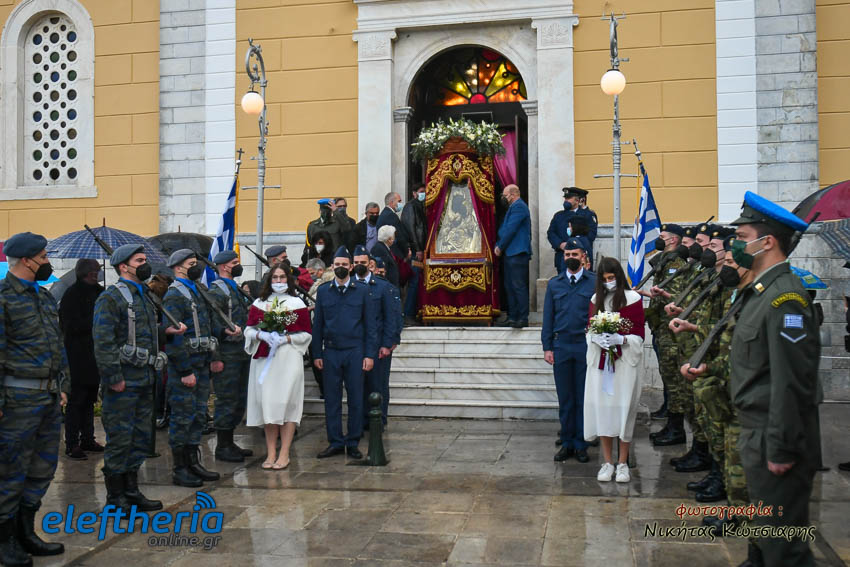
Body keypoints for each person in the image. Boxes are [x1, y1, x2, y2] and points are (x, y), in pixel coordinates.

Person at [727, 191, 820, 567]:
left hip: (773, 436)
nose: (735, 245)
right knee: (767, 539)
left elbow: (792, 381)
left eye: (742, 236)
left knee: (785, 549)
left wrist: (781, 448)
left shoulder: (785, 299)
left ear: (767, 242)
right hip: (756, 432)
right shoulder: (760, 292)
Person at [93, 244, 185, 513]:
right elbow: (103, 341)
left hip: (146, 378)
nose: (145, 265)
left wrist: (166, 332)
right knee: (121, 439)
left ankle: (131, 490)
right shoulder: (111, 298)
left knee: (140, 437)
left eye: (145, 259)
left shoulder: (144, 296)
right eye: (139, 260)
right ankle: (115, 497)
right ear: (123, 267)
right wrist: (113, 377)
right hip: (124, 381)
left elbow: (144, 334)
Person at [0, 232, 68, 565]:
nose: (47, 262)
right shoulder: (3, 298)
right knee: (10, 471)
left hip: (48, 397)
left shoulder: (43, 297)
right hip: (17, 400)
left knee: (42, 468)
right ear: (26, 260)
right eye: (43, 257)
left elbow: (58, 344)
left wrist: (63, 385)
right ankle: (5, 539)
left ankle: (26, 531)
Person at [163, 249, 239, 487]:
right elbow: (173, 337)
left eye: (196, 263)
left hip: (202, 362)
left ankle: (193, 461)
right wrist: (184, 371)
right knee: (182, 417)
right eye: (191, 264)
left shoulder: (197, 291)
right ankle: (180, 467)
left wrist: (223, 331)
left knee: (197, 415)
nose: (196, 267)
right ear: (177, 268)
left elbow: (206, 326)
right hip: (186, 366)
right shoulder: (174, 295)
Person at [311, 246, 378, 459]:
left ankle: (353, 441)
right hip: (331, 351)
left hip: (355, 351)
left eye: (344, 265)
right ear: (332, 267)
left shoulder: (362, 290)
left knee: (356, 398)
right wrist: (317, 354)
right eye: (337, 264)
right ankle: (335, 441)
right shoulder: (324, 291)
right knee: (332, 399)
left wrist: (369, 355)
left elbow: (370, 326)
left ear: (351, 267)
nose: (341, 267)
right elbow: (318, 325)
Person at [243, 264, 312, 469]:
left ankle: (284, 453)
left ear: (288, 280)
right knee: (269, 404)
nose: (279, 281)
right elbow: (248, 330)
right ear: (269, 280)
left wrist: (287, 338)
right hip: (266, 360)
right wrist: (261, 334)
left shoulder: (297, 303)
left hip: (288, 359)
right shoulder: (259, 303)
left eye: (282, 277)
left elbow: (306, 334)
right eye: (275, 277)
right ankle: (271, 452)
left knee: (288, 404)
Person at [584, 257, 645, 482]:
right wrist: (595, 338)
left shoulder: (633, 298)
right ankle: (607, 462)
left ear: (618, 276)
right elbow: (589, 328)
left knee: (624, 409)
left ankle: (623, 463)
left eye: (611, 278)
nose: (608, 282)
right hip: (601, 365)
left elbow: (639, 334)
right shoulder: (595, 299)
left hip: (624, 364)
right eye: (604, 279)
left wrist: (622, 339)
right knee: (603, 410)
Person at [542, 239, 594, 463]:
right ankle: (567, 442)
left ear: (583, 256)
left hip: (585, 346)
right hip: (561, 345)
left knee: (583, 398)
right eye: (567, 255)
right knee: (565, 398)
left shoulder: (594, 283)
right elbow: (548, 318)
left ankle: (581, 444)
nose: (570, 258)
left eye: (575, 254)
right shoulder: (555, 284)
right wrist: (547, 347)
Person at [643, 224, 690, 447]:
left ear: (673, 240)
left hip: (671, 331)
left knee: (674, 379)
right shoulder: (665, 261)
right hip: (661, 327)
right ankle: (672, 425)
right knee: (668, 376)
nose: (658, 239)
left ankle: (676, 429)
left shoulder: (676, 264)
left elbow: (676, 296)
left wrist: (657, 296)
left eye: (662, 236)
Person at [208, 251, 254, 462]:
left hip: (241, 352)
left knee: (239, 398)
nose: (238, 265)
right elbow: (210, 324)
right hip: (226, 354)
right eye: (234, 263)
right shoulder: (216, 291)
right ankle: (223, 445)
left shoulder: (234, 288)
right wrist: (215, 357)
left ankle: (230, 441)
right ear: (224, 266)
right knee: (227, 398)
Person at [59, 258, 104, 460]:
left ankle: (88, 438)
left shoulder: (100, 293)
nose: (96, 275)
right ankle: (72, 443)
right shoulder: (72, 294)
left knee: (90, 400)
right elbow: (69, 326)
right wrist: (94, 322)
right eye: (93, 271)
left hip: (95, 354)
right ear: (84, 273)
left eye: (97, 271)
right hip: (77, 355)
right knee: (76, 401)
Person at [352, 246, 402, 427]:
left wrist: (388, 343)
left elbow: (391, 316)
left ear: (370, 263)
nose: (359, 265)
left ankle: (378, 421)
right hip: (356, 344)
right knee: (359, 385)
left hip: (379, 344)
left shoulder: (383, 286)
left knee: (378, 384)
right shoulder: (349, 284)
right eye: (356, 262)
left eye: (363, 262)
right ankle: (361, 421)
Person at [495, 184, 532, 328]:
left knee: (518, 286)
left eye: (505, 195)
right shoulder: (513, 207)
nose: (503, 198)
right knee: (510, 286)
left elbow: (511, 229)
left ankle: (522, 317)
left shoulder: (519, 207)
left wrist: (500, 246)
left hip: (517, 252)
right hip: (511, 252)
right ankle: (513, 316)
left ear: (513, 194)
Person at [546, 187, 595, 273]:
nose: (566, 201)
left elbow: (591, 234)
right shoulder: (558, 215)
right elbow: (551, 233)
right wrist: (560, 244)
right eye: (565, 198)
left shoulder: (587, 214)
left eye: (569, 198)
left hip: (580, 257)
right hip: (562, 256)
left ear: (577, 200)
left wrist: (575, 244)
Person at [401, 185, 427, 324]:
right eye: (421, 192)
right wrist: (417, 249)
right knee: (414, 282)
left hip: (419, 249)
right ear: (414, 193)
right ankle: (408, 314)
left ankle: (413, 313)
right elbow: (411, 229)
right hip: (415, 251)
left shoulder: (420, 206)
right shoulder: (411, 207)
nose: (424, 194)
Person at [301, 199, 342, 265]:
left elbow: (347, 228)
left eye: (328, 210)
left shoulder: (337, 224)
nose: (325, 213)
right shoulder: (312, 226)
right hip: (317, 261)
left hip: (333, 260)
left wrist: (336, 211)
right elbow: (308, 246)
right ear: (320, 211)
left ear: (331, 211)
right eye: (323, 210)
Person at [377, 192, 411, 260]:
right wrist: (406, 251)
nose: (401, 203)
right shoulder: (390, 215)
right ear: (392, 202)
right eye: (399, 201)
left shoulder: (385, 213)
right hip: (395, 254)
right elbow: (399, 235)